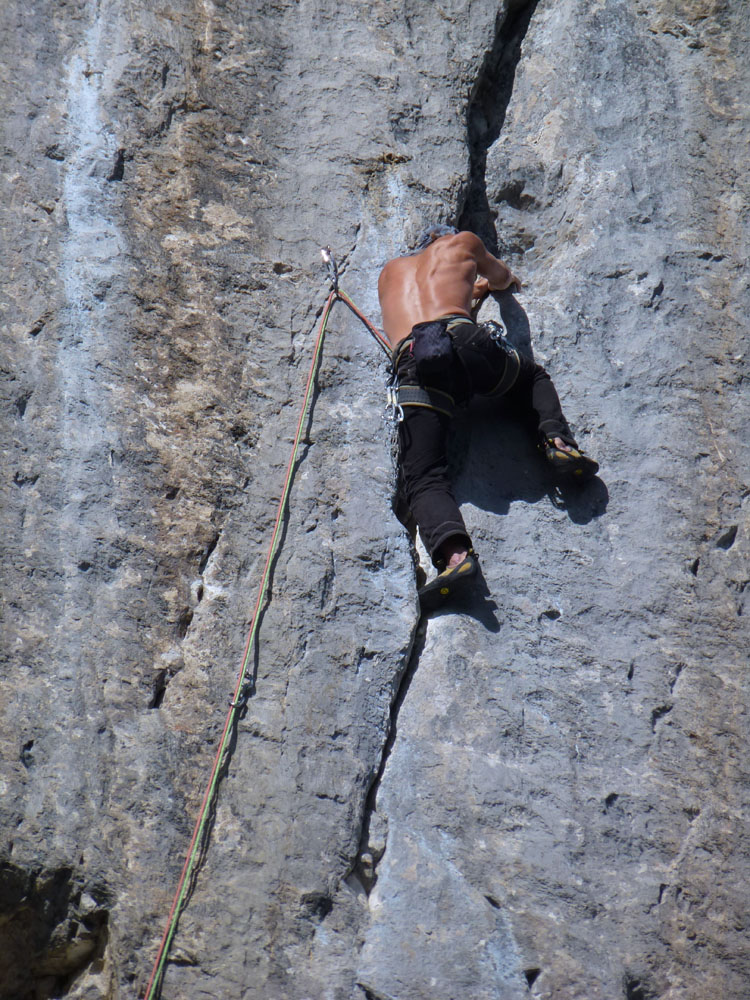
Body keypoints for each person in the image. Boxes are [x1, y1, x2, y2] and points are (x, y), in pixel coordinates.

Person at [378, 224, 598, 610]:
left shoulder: (390, 273)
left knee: (424, 476)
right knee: (531, 378)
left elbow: (415, 318)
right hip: (465, 339)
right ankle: (558, 443)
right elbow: (501, 278)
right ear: (443, 240)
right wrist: (480, 286)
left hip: (415, 359)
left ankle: (456, 558)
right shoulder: (463, 242)